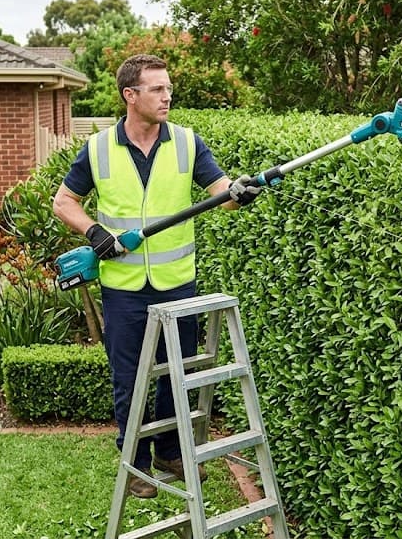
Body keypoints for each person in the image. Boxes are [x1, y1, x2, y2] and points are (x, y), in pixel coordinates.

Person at [52, 54, 261, 499]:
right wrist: (95, 232)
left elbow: (220, 194)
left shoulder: (186, 142)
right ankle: (135, 463)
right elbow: (63, 201)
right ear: (131, 96)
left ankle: (169, 451)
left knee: (177, 375)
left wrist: (240, 193)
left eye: (168, 88)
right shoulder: (99, 149)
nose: (167, 96)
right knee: (130, 380)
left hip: (177, 285)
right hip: (124, 289)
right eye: (157, 89)